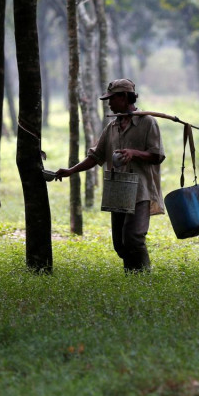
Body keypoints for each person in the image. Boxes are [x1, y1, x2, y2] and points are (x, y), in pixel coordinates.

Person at [55, 79, 165, 272]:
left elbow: (157, 156)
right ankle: (132, 277)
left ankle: (143, 276)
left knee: (133, 237)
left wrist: (134, 153)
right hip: (118, 189)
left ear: (124, 97)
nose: (109, 103)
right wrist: (71, 170)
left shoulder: (148, 123)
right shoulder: (112, 127)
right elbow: (95, 157)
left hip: (140, 190)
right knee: (120, 244)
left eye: (112, 99)